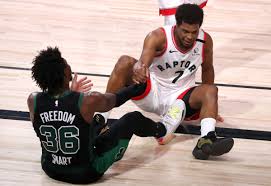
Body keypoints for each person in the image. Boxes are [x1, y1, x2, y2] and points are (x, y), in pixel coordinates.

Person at [96, 4, 234, 160]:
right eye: (185, 31)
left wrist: (210, 106)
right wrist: (139, 68)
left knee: (211, 90)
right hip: (152, 92)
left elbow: (208, 69)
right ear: (176, 25)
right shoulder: (158, 37)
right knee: (124, 62)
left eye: (194, 32)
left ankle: (206, 140)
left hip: (182, 98)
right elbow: (142, 63)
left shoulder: (205, 41)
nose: (189, 36)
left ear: (199, 28)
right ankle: (99, 121)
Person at [27, 47, 168, 184]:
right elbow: (116, 99)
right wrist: (139, 87)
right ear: (65, 72)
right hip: (86, 173)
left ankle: (98, 133)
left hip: (50, 168)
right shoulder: (88, 100)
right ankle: (163, 129)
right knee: (133, 119)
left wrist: (70, 92)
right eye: (65, 63)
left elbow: (57, 113)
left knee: (95, 121)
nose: (68, 65)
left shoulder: (33, 100)